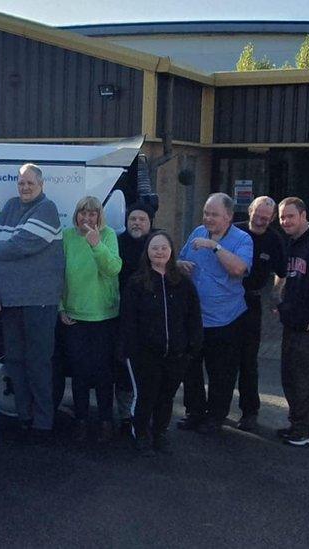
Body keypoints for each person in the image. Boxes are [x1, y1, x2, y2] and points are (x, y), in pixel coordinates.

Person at [0, 163, 65, 442]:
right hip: (9, 301)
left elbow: (20, 246)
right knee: (14, 361)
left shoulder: (46, 208)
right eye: (21, 183)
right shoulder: (10, 207)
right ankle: (24, 417)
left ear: (41, 185)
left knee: (38, 363)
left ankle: (43, 424)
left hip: (40, 302)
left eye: (30, 183)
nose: (24, 188)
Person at [177, 193, 253, 435]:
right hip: (195, 318)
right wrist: (179, 265)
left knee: (221, 372)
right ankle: (194, 412)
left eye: (214, 214)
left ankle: (215, 416)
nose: (208, 218)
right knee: (191, 369)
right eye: (206, 213)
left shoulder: (242, 239)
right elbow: (179, 259)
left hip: (226, 320)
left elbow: (239, 269)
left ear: (228, 217)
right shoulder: (197, 232)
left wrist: (215, 247)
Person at [121, 231, 202, 456]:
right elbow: (129, 320)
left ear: (171, 251)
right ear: (147, 252)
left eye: (164, 248)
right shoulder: (136, 284)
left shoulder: (183, 283)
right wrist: (130, 349)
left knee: (166, 396)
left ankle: (159, 433)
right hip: (145, 355)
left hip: (176, 354)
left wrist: (192, 345)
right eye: (155, 247)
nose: (159, 252)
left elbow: (193, 316)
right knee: (146, 396)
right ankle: (141, 435)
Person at [58, 196, 122, 442]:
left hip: (104, 316)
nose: (87, 218)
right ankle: (81, 420)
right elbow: (60, 273)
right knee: (80, 373)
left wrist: (96, 245)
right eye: (83, 213)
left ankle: (106, 420)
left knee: (105, 374)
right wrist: (60, 307)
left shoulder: (108, 235)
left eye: (92, 214)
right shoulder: (67, 236)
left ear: (99, 217)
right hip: (75, 316)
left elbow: (113, 268)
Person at [276, 197, 309, 447]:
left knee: (305, 379)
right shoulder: (293, 243)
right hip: (293, 321)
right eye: (282, 217)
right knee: (292, 376)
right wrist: (283, 305)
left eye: (290, 216)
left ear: (303, 215)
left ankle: (303, 430)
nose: (286, 221)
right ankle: (304, 427)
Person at [233, 196, 286, 432]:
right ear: (250, 211)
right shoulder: (235, 232)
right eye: (258, 215)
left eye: (266, 217)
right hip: (227, 298)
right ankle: (214, 408)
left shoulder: (274, 239)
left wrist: (276, 293)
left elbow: (282, 272)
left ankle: (249, 411)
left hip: (252, 302)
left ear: (272, 217)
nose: (261, 220)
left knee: (248, 360)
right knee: (220, 358)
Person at [113, 202, 156, 435]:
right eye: (132, 219)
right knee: (122, 366)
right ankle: (124, 415)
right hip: (121, 314)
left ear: (150, 223)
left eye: (141, 219)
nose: (136, 223)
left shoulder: (157, 244)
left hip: (149, 317)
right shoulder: (117, 242)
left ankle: (145, 415)